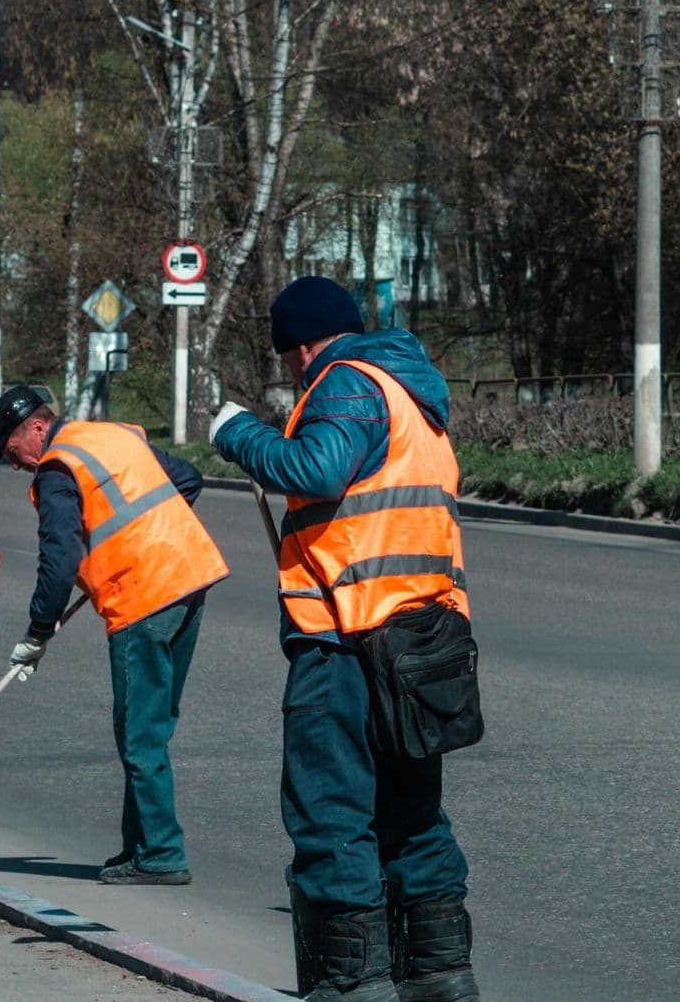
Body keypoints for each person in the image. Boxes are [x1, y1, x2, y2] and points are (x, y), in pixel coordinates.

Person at [211, 276, 477, 1001]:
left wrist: (238, 433)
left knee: (331, 811)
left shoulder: (345, 383)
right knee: (412, 812)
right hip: (425, 636)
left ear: (302, 345)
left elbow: (317, 469)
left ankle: (351, 984)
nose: (293, 371)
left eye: (289, 357)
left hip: (347, 637)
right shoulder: (414, 394)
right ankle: (438, 974)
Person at [0, 385, 228, 885]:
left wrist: (36, 631)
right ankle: (140, 846)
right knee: (153, 724)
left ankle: (160, 854)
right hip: (189, 580)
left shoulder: (55, 470)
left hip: (144, 596)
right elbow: (188, 479)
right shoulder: (111, 435)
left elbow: (58, 563)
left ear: (35, 427)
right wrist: (153, 534)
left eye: (12, 453)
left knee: (140, 733)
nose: (16, 465)